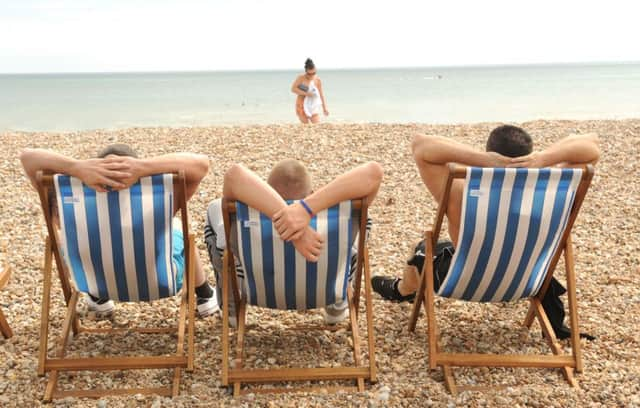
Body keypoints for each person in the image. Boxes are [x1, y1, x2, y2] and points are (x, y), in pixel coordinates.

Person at [372, 125, 600, 339]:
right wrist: (543, 159)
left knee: (422, 249)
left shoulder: (462, 193)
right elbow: (590, 145)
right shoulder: (553, 191)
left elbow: (421, 145)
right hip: (529, 279)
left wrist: (483, 161)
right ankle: (403, 290)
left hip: (463, 280)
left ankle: (402, 290)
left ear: (490, 153)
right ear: (529, 154)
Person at [19, 144, 219, 318]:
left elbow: (27, 157)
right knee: (177, 225)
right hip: (159, 282)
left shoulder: (63, 202)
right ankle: (204, 295)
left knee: (67, 235)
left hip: (91, 281)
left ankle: (99, 297)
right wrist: (144, 167)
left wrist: (76, 167)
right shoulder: (157, 199)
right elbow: (201, 164)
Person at [205, 159, 382, 326]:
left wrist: (291, 213)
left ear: (265, 190)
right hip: (326, 292)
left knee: (219, 222)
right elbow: (373, 172)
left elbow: (234, 175)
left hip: (260, 291)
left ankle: (233, 310)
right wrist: (302, 219)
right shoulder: (337, 216)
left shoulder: (245, 214)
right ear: (311, 194)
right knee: (361, 222)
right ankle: (337, 306)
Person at [291, 58, 329, 124]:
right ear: (306, 71)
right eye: (309, 74)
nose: (312, 75)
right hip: (301, 104)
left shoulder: (317, 80)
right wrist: (306, 93)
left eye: (314, 73)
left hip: (313, 105)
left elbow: (321, 95)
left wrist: (324, 108)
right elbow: (293, 89)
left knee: (317, 125)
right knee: (306, 127)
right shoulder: (301, 78)